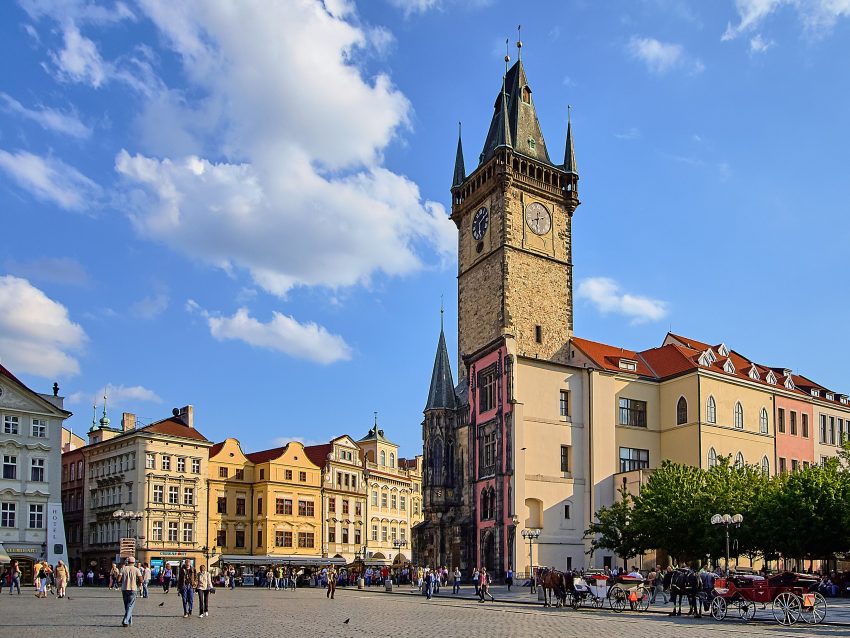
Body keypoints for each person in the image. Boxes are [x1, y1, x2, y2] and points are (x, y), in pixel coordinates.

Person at [118, 556, 143, 627]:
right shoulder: (136, 569)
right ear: (134, 562)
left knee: (127, 606)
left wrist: (123, 581)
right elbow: (141, 580)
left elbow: (118, 579)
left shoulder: (123, 568)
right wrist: (137, 583)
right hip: (133, 588)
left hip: (124, 589)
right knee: (130, 605)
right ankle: (125, 621)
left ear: (127, 562)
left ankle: (129, 621)